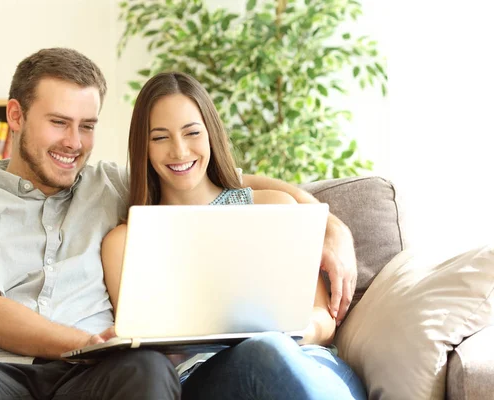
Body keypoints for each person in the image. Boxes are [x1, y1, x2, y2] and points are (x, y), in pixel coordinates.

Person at [0, 48, 357, 400]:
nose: (74, 143)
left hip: (93, 380)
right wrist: (92, 342)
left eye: (87, 126)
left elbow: (208, 179)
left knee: (147, 370)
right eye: (59, 123)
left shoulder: (110, 184)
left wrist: (331, 228)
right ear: (16, 116)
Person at [100, 71, 366, 400]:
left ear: (211, 134)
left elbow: (322, 319)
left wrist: (283, 337)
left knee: (267, 350)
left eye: (192, 132)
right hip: (208, 378)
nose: (179, 151)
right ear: (143, 147)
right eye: (160, 137)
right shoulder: (124, 242)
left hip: (310, 364)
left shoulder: (274, 207)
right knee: (259, 354)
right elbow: (147, 351)